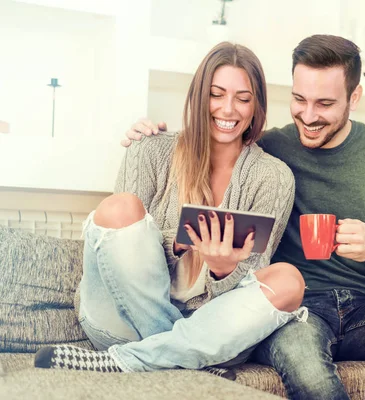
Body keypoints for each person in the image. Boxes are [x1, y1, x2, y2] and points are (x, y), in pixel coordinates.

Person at [122, 35, 365, 399]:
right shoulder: (269, 151)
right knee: (308, 369)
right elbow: (213, 141)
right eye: (299, 99)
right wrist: (149, 137)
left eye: (324, 103)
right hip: (296, 312)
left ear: (354, 98)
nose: (308, 115)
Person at [33, 42, 307, 376]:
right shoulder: (149, 150)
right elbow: (120, 263)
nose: (228, 109)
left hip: (207, 325)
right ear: (198, 96)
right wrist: (178, 244)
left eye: (243, 98)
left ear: (256, 106)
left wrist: (222, 271)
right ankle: (180, 355)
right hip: (121, 320)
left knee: (289, 280)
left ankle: (134, 360)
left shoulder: (274, 177)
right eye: (216, 94)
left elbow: (246, 286)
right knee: (119, 208)